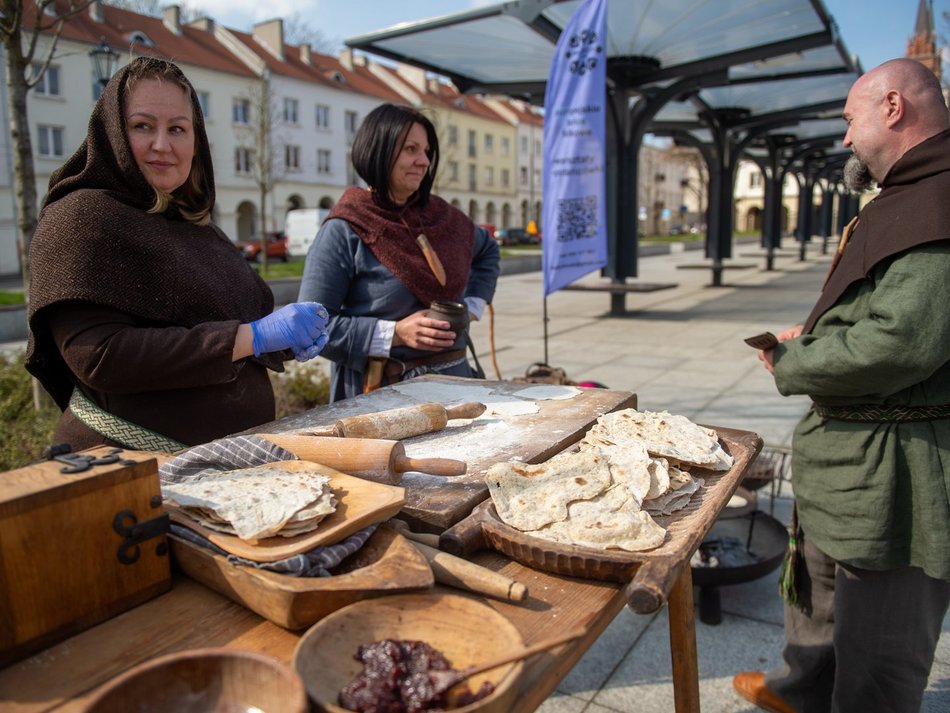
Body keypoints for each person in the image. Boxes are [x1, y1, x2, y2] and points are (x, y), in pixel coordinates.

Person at [733, 58, 950, 713]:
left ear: (891, 109)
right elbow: (878, 304)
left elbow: (900, 341)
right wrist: (820, 332)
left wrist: (796, 362)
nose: (846, 139)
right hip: (855, 457)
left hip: (899, 469)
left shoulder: (939, 199)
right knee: (821, 592)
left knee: (879, 641)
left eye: (851, 120)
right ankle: (805, 690)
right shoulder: (911, 192)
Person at [26, 57, 329, 452]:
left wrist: (281, 338)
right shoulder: (80, 217)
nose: (162, 145)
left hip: (220, 464)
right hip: (135, 471)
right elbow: (100, 356)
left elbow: (224, 324)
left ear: (196, 140)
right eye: (142, 126)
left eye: (177, 129)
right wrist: (250, 337)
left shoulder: (196, 225)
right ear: (112, 132)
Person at [298, 103, 500, 401]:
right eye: (410, 149)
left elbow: (488, 251)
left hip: (458, 388)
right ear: (378, 151)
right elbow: (311, 326)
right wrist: (394, 333)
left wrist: (472, 306)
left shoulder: (444, 218)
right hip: (381, 397)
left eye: (426, 151)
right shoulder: (344, 230)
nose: (423, 161)